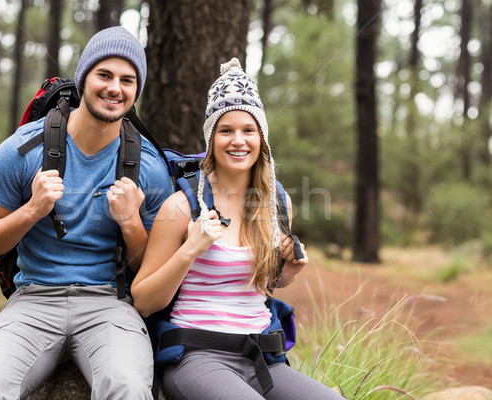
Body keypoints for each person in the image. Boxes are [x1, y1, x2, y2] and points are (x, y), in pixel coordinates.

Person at [0, 26, 173, 400]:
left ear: (136, 91)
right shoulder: (24, 150)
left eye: (127, 80)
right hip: (33, 299)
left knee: (126, 386)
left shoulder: (149, 168)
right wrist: (31, 211)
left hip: (111, 304)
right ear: (84, 79)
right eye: (104, 75)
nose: (114, 88)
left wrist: (131, 222)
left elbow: (153, 276)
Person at [131, 58, 343, 400]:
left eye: (248, 130)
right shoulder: (181, 207)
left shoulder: (277, 205)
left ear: (262, 138)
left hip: (263, 358)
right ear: (211, 137)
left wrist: (287, 271)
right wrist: (190, 250)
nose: (238, 140)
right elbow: (142, 300)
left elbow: (258, 286)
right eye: (225, 130)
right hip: (197, 357)